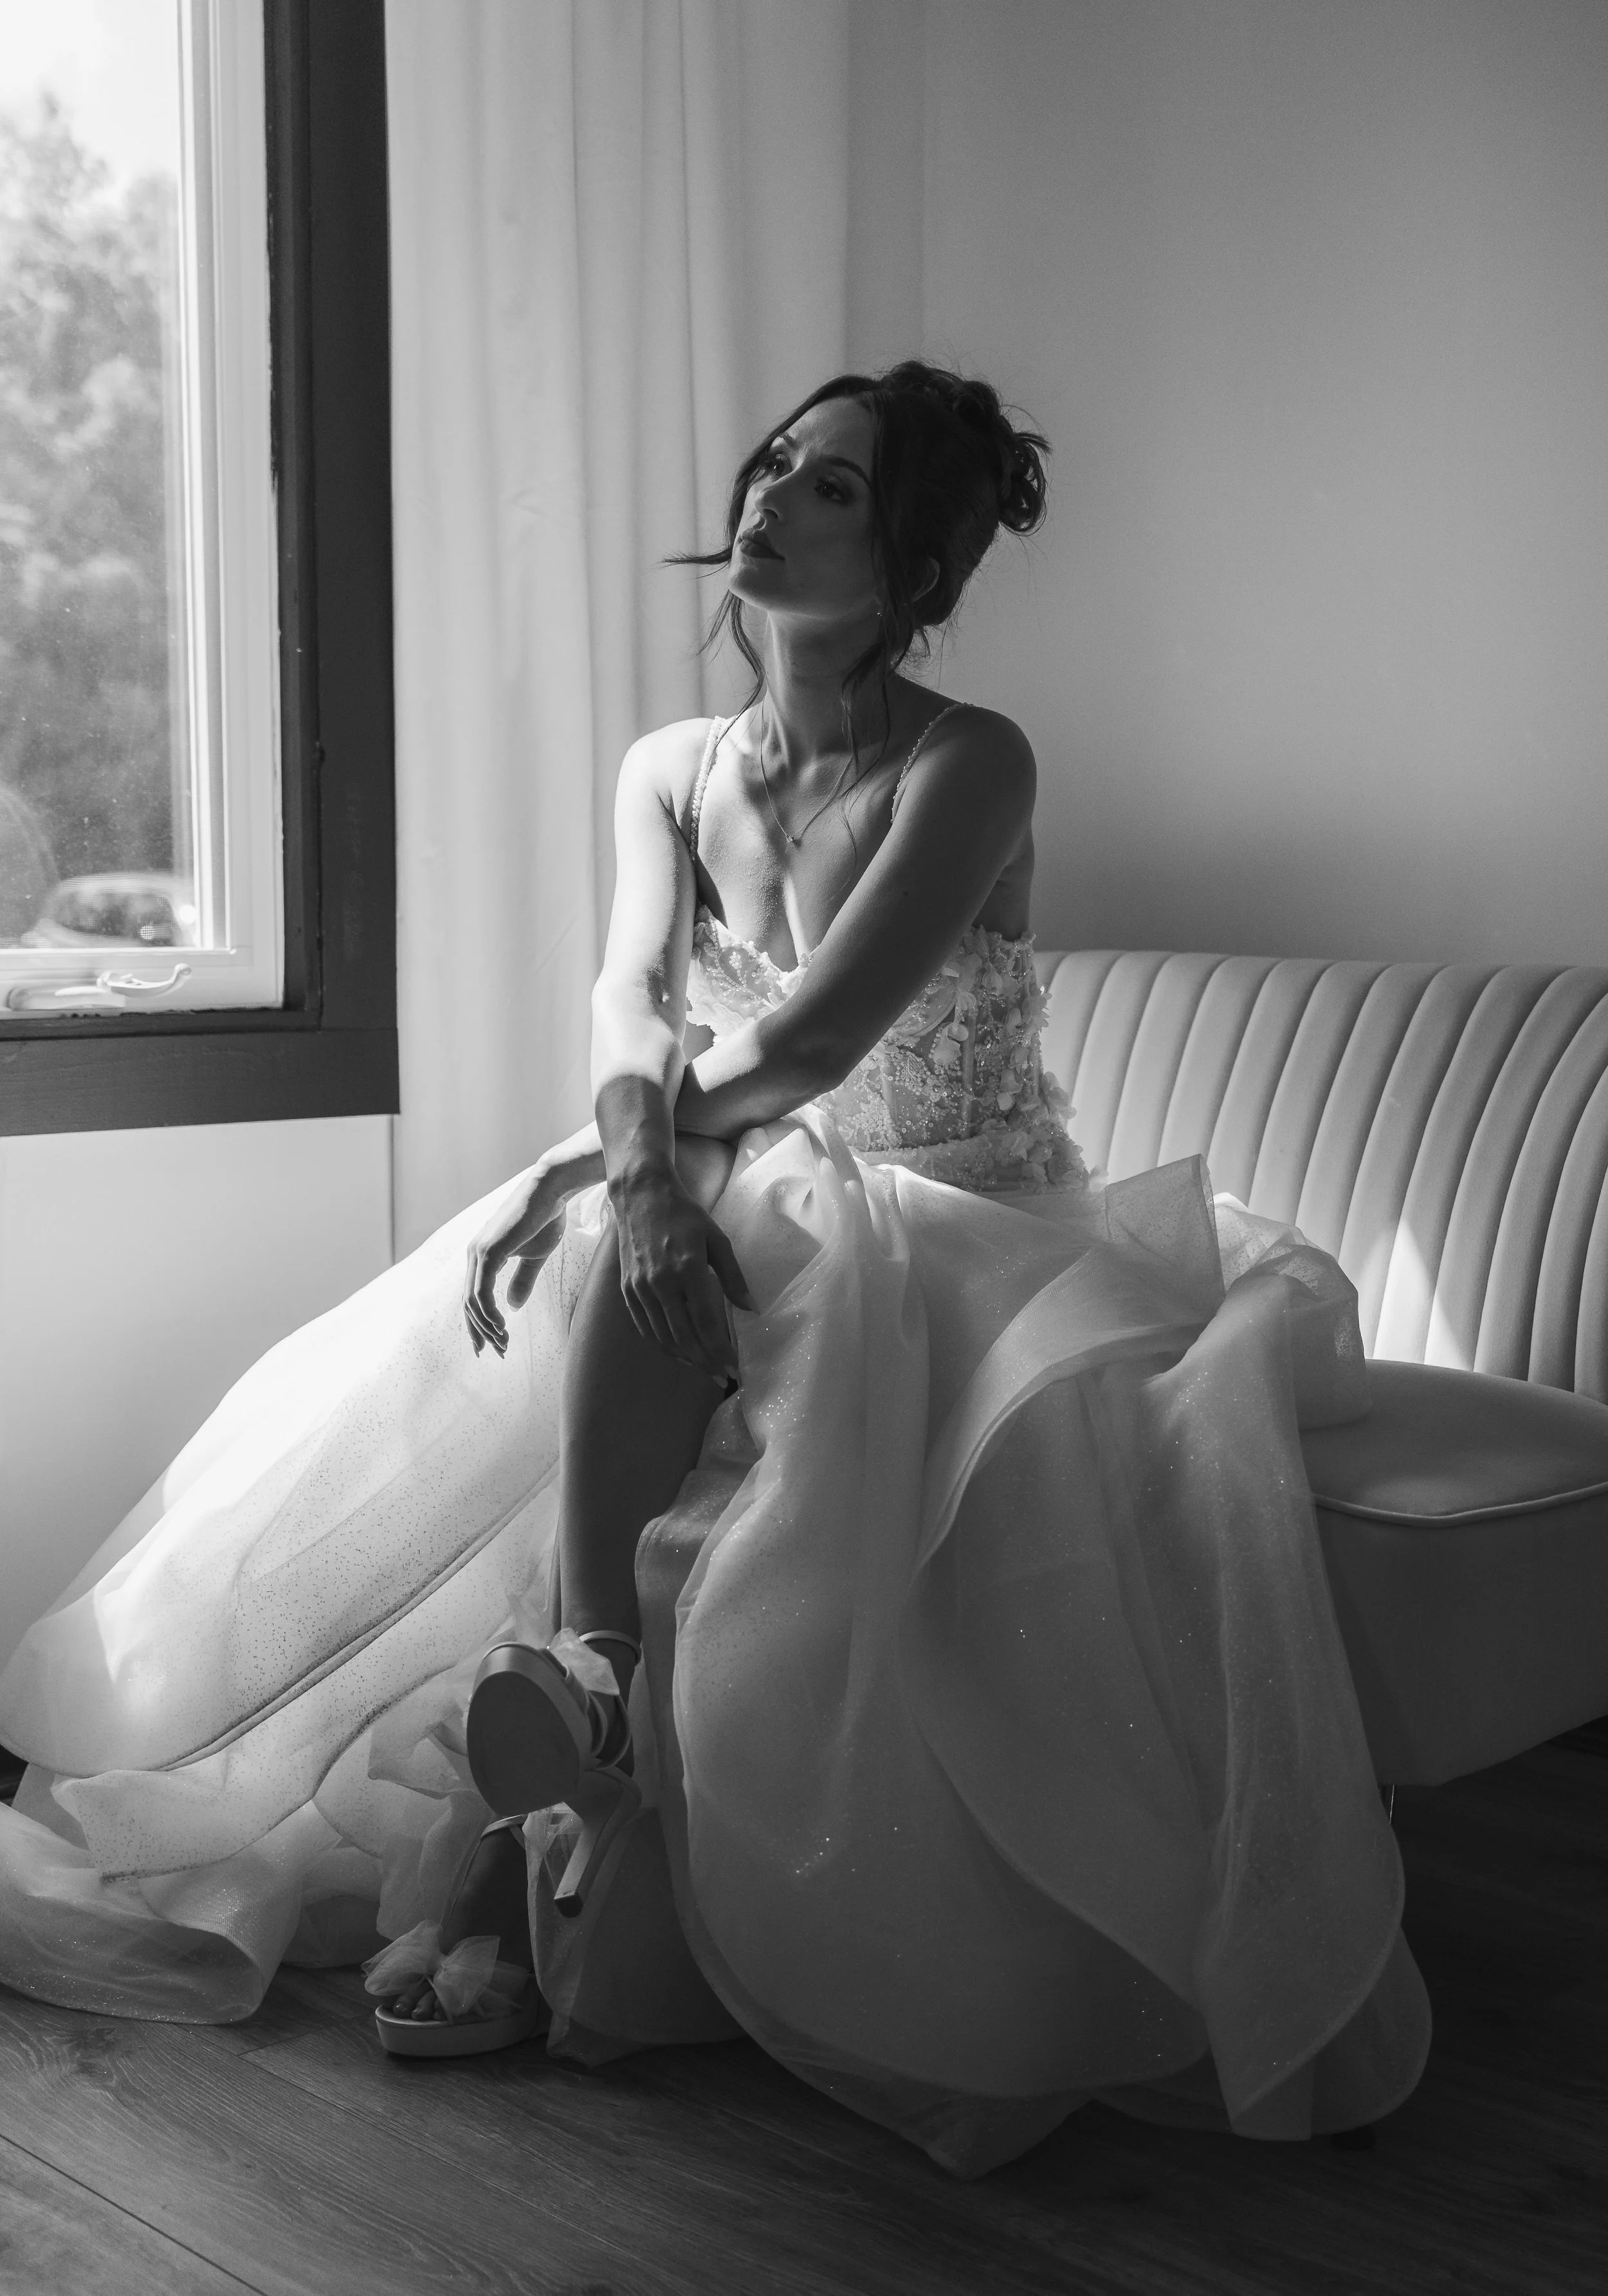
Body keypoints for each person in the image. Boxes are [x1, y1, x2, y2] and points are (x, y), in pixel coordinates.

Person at [0, 363, 1429, 2176]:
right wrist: (633, 1171)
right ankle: (581, 1710)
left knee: (681, 1243)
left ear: (909, 556)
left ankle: (586, 1718)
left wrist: (650, 1165)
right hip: (740, 1160)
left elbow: (818, 1038)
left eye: (827, 488)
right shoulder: (669, 771)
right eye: (772, 464)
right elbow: (626, 995)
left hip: (975, 1210)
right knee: (587, 1254)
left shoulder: (971, 758)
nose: (768, 496)